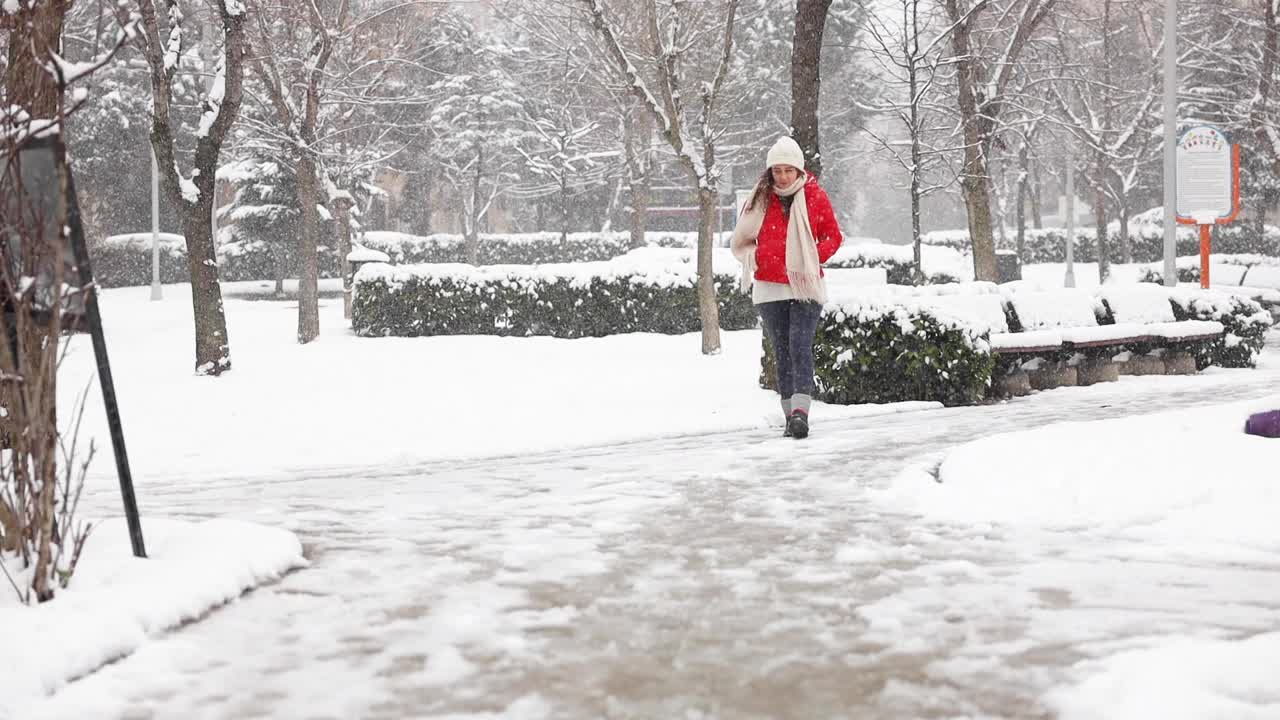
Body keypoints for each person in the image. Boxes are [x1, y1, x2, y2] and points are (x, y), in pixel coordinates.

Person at [730, 136, 843, 439]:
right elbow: (740, 240)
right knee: (782, 350)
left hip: (805, 284)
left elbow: (834, 236)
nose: (782, 177)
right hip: (769, 286)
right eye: (777, 171)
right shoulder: (758, 200)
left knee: (799, 344)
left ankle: (801, 413)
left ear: (798, 171)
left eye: (788, 170)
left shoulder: (814, 197)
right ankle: (789, 417)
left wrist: (811, 257)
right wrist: (754, 257)